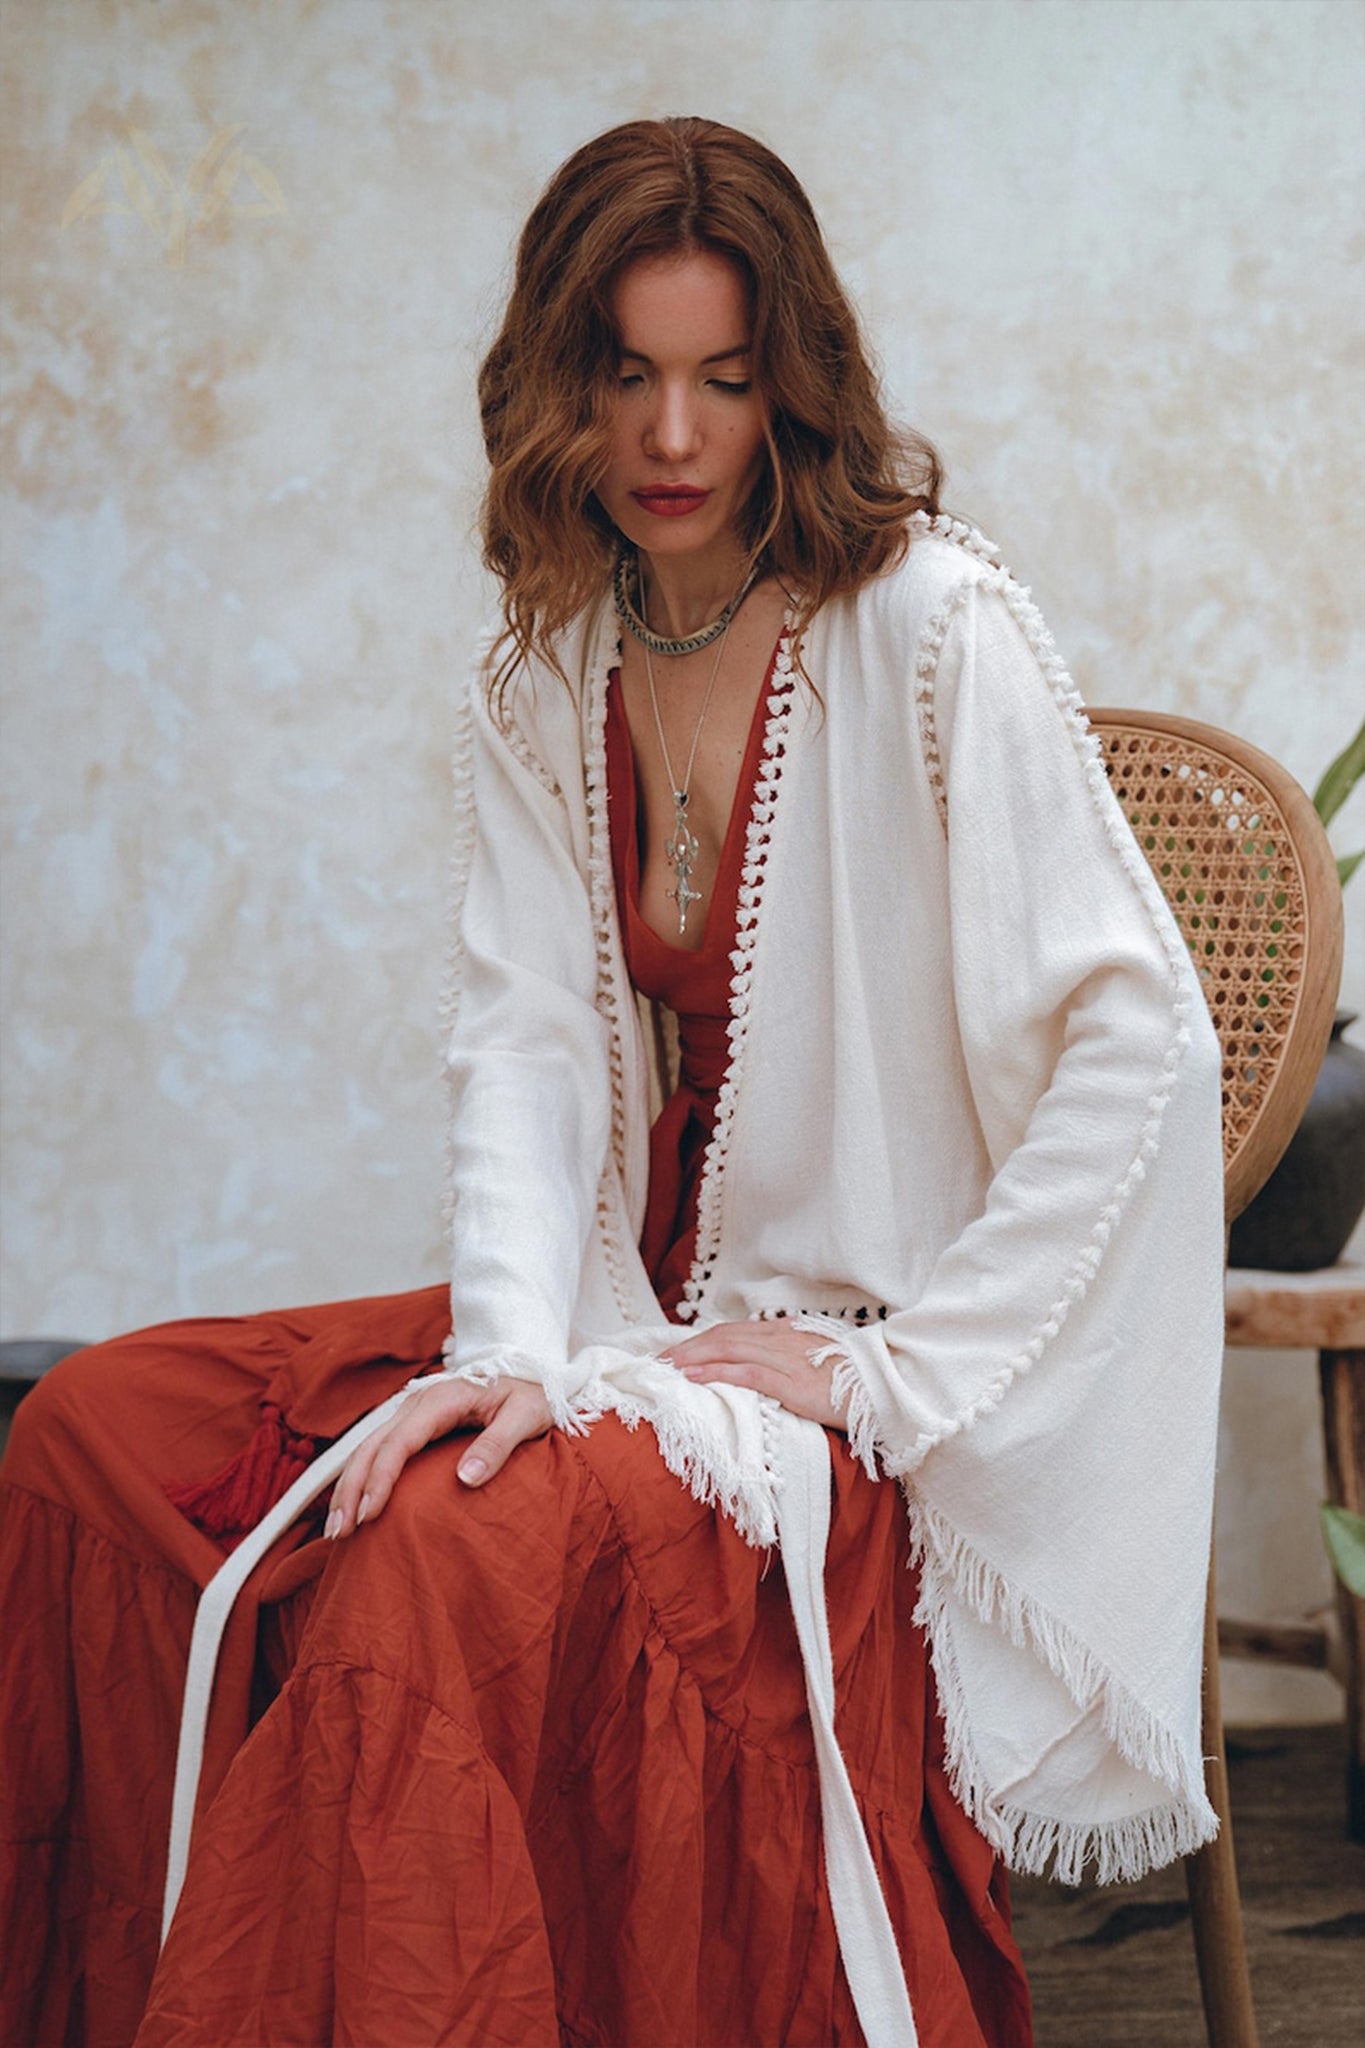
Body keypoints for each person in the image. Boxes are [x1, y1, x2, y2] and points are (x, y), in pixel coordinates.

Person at [0, 116, 1227, 2048]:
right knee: (92, 1428)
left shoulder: (931, 626)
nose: (671, 436)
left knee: (432, 1554)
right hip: (621, 1308)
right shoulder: (548, 662)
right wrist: (505, 1351)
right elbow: (521, 1036)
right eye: (627, 376)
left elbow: (1141, 1043)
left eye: (723, 380)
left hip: (830, 1346)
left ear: (790, 384)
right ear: (553, 384)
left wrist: (893, 1371)